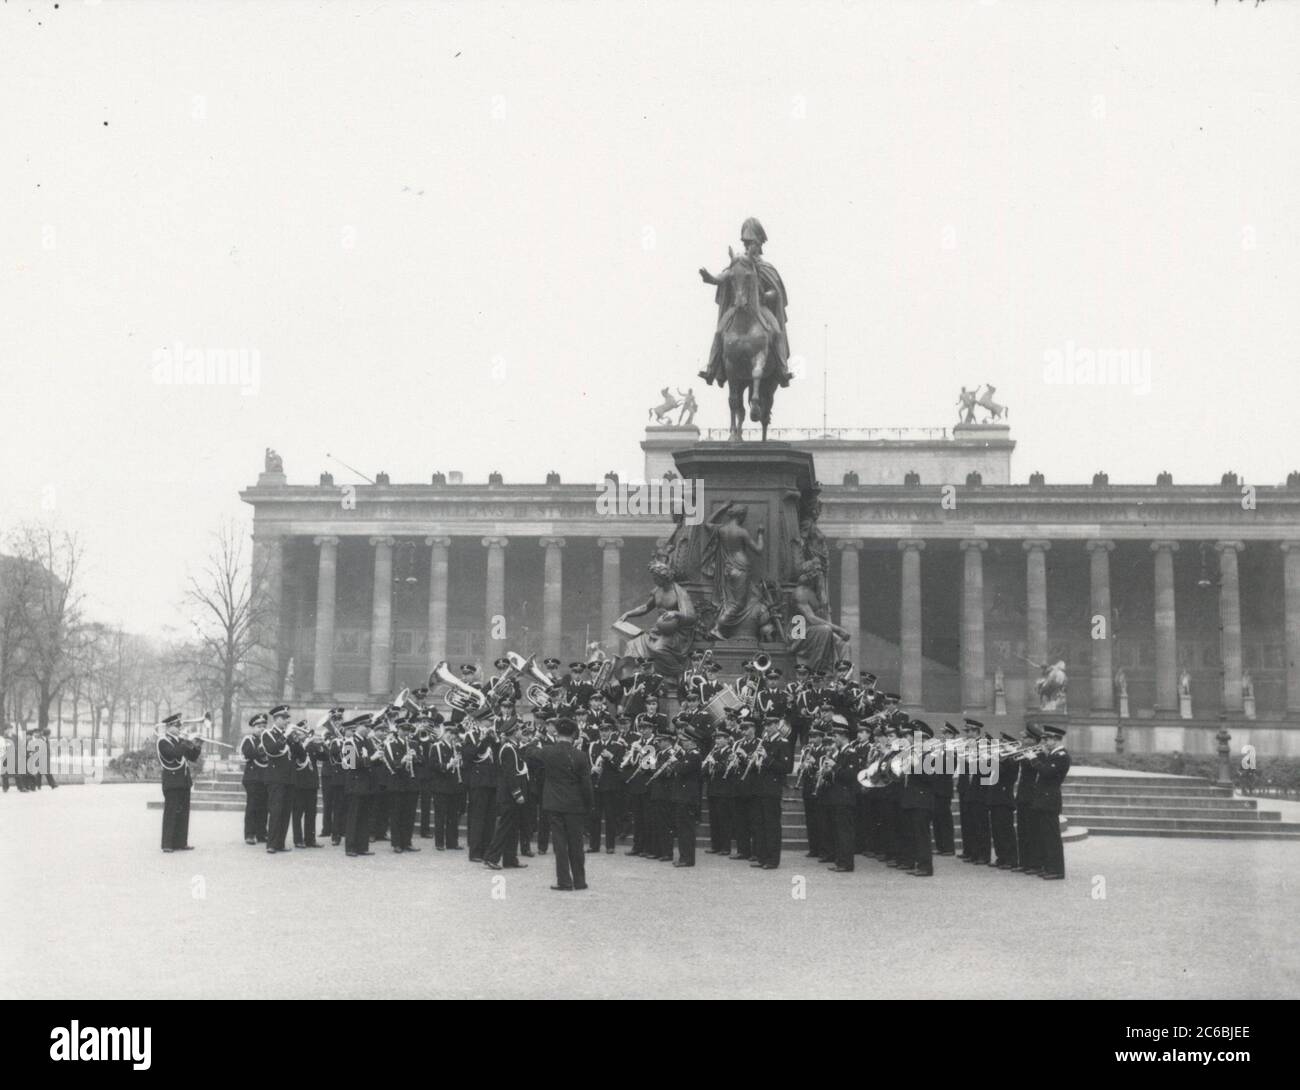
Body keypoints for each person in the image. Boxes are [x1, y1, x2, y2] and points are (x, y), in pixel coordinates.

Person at [539, 717, 594, 891]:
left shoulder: (547, 751)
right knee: (576, 844)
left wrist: (536, 739)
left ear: (556, 733)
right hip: (575, 804)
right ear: (574, 734)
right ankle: (579, 880)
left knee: (560, 844)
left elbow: (529, 752)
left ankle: (564, 881)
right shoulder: (581, 755)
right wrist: (589, 805)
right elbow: (586, 785)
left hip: (554, 804)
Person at [483, 718, 528, 870]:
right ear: (514, 733)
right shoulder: (508, 749)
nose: (522, 732)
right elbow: (510, 774)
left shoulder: (514, 747)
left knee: (513, 828)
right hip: (509, 795)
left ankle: (510, 859)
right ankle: (491, 857)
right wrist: (517, 793)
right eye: (520, 730)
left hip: (511, 794)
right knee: (504, 827)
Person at [1030, 725, 1071, 880]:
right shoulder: (1052, 754)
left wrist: (1033, 759)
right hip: (1044, 798)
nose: (1045, 742)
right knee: (1044, 836)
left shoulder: (1061, 755)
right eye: (1045, 739)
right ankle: (1048, 866)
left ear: (1056, 739)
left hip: (1050, 798)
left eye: (1047, 739)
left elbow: (1047, 772)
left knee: (1052, 837)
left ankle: (1056, 870)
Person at [157, 714, 201, 852]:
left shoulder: (179, 741)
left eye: (180, 725)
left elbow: (192, 757)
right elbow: (173, 754)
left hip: (183, 780)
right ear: (169, 727)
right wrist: (185, 742)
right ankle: (167, 844)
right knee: (171, 812)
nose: (180, 728)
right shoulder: (163, 741)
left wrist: (197, 746)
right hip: (172, 781)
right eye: (177, 726)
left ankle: (181, 842)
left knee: (183, 812)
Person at [260, 705, 294, 854]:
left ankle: (280, 842)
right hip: (275, 777)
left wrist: (298, 741)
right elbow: (273, 749)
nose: (287, 721)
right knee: (276, 810)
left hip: (288, 778)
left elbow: (298, 754)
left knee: (286, 812)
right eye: (284, 719)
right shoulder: (267, 734)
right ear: (277, 719)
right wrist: (286, 736)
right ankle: (271, 844)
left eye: (287, 719)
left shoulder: (288, 735)